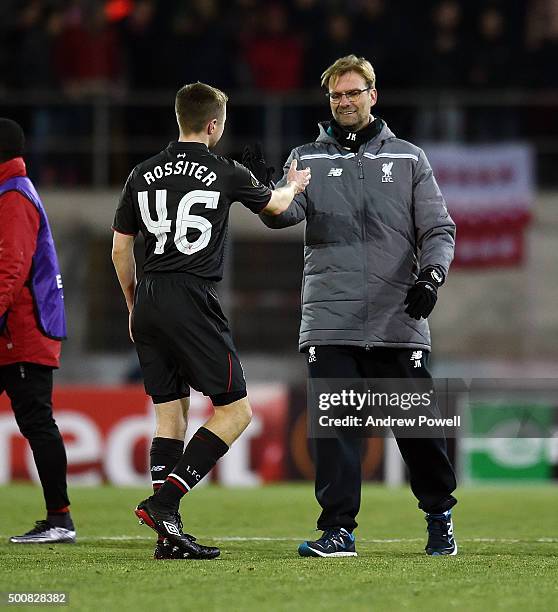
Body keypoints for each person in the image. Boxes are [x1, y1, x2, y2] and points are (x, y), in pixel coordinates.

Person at [250, 55, 458, 557]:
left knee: (419, 432)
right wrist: (264, 192)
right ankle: (338, 531)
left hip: (398, 319)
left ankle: (439, 516)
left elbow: (438, 229)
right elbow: (284, 215)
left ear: (372, 94)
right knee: (337, 434)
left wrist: (431, 278)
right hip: (330, 321)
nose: (344, 102)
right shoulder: (306, 159)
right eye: (336, 95)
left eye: (352, 92)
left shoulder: (409, 158)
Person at [111, 82, 311, 560]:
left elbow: (120, 249)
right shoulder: (223, 170)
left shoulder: (141, 172)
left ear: (179, 118)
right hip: (191, 296)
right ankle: (165, 504)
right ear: (214, 124)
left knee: (170, 413)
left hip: (150, 297)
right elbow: (278, 208)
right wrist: (293, 185)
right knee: (236, 411)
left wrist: (134, 304)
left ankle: (169, 536)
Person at [0, 118, 75, 544]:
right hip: (15, 328)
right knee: (37, 422)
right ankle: (59, 518)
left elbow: (10, 269)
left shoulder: (13, 197)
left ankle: (60, 519)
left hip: (23, 329)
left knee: (37, 422)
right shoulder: (13, 191)